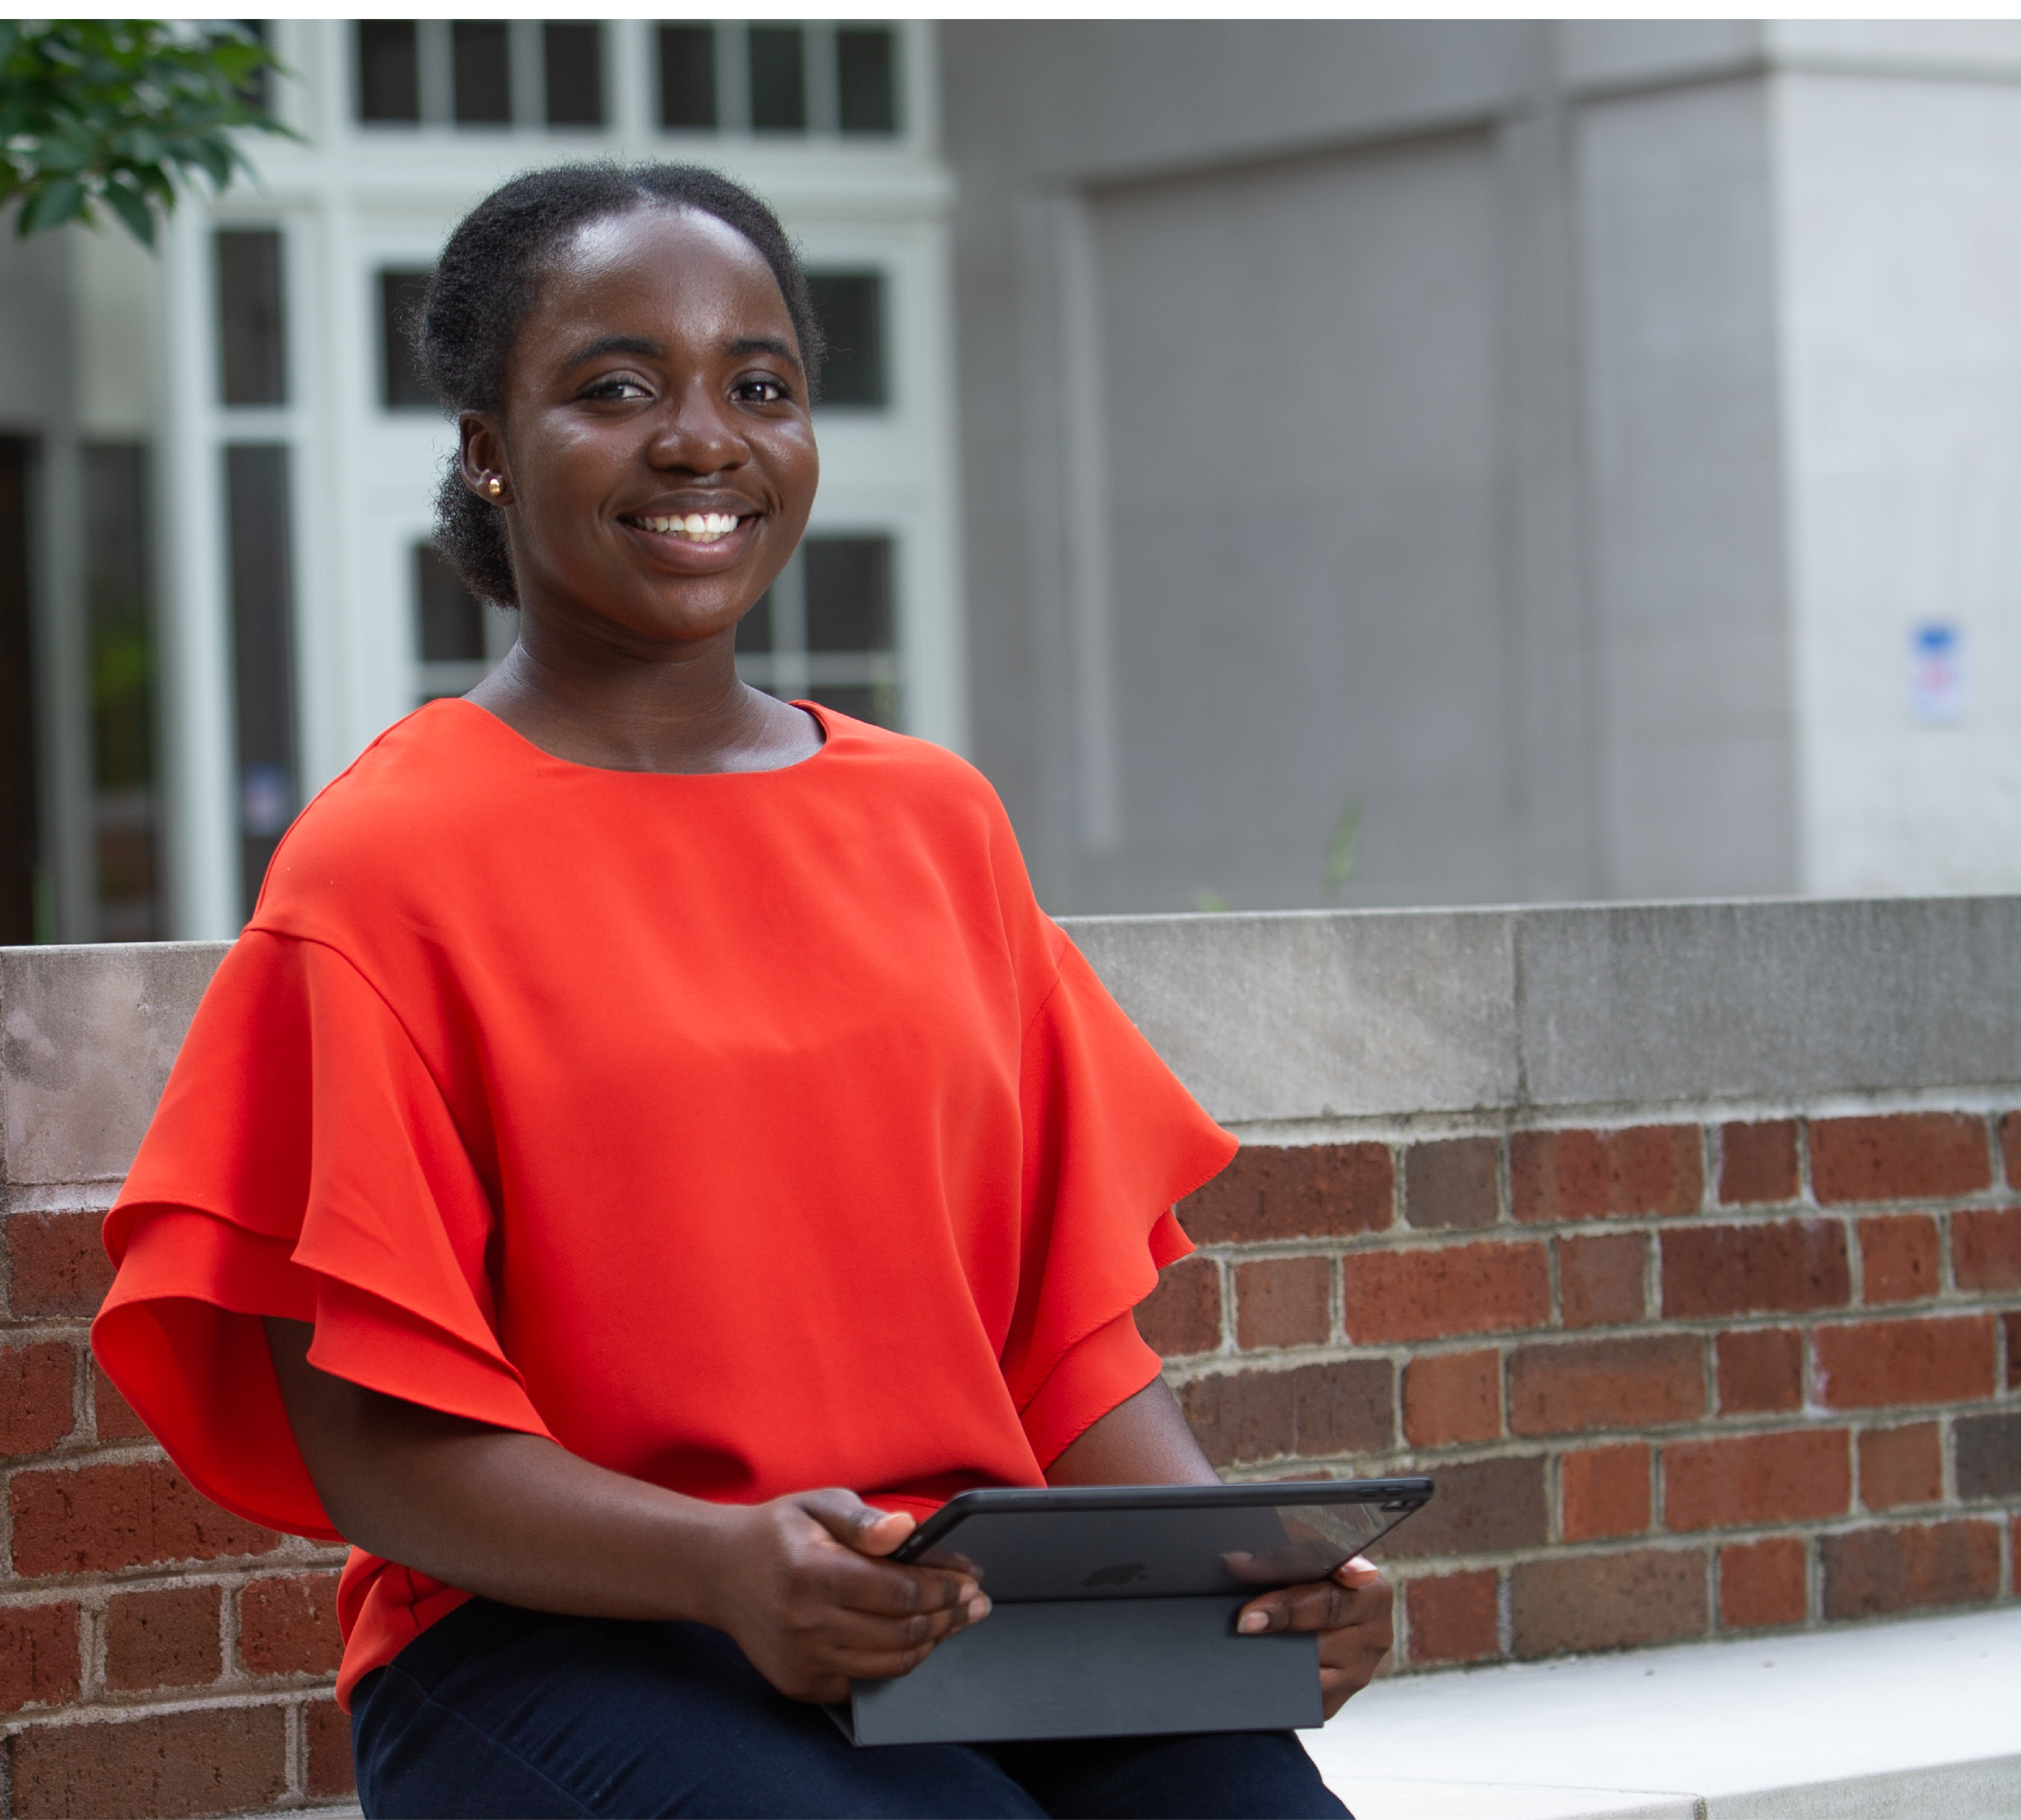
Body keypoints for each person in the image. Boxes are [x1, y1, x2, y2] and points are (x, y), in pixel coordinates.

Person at [92, 162, 1390, 1819]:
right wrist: (722, 1569)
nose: (702, 439)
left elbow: (1064, 1346)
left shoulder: (933, 823)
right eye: (615, 387)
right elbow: (373, 1449)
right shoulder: (389, 867)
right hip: (560, 1645)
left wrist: (1241, 1585)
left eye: (757, 385)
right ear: (488, 448)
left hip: (955, 1608)